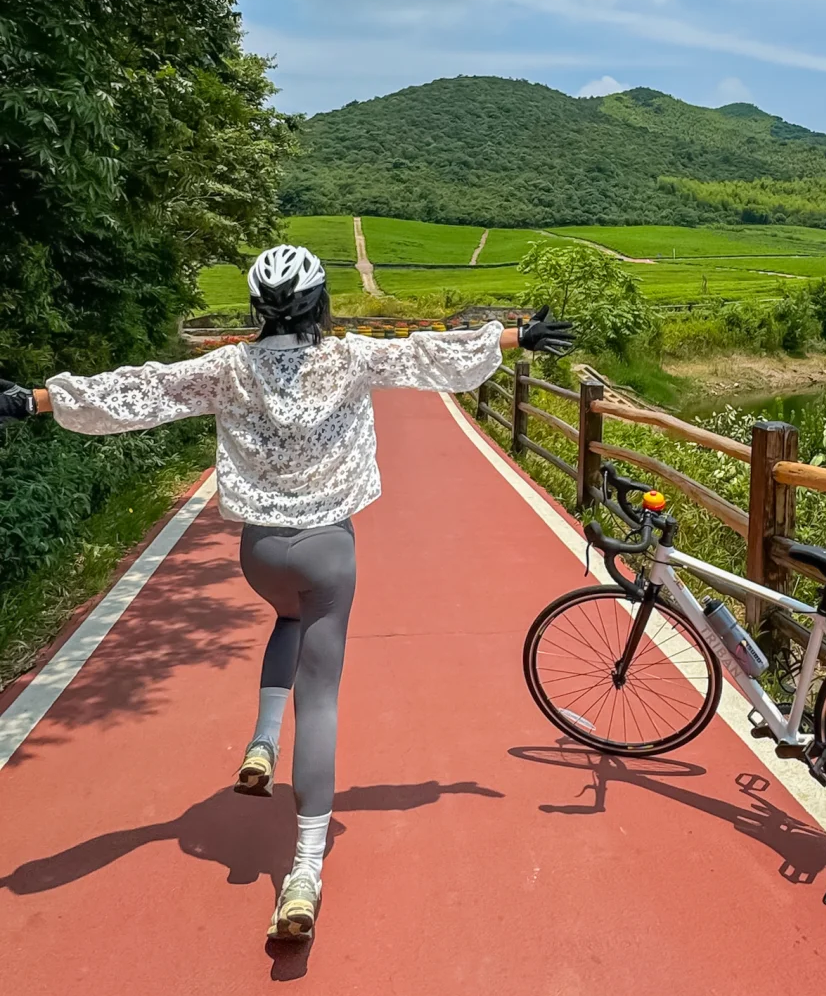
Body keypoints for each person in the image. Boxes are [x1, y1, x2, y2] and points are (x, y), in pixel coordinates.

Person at [0, 245, 572, 940]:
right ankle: (303, 872)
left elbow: (144, 388)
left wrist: (35, 399)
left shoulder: (226, 368)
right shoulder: (350, 357)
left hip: (261, 551)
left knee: (284, 619)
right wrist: (516, 336)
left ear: (256, 306)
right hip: (329, 548)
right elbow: (424, 355)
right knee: (322, 696)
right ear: (320, 302)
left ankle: (262, 743)